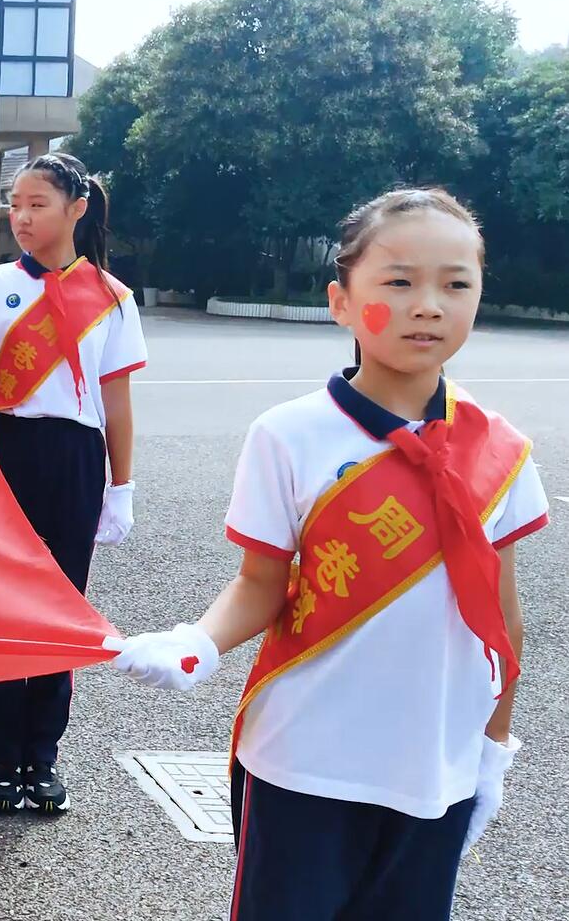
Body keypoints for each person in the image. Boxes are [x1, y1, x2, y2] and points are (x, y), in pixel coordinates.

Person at [112, 188, 550, 920]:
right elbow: (260, 585)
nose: (430, 305)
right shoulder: (289, 436)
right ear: (342, 302)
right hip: (304, 763)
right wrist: (199, 642)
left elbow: (503, 619)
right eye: (400, 281)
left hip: (433, 770)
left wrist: (492, 749)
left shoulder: (501, 449)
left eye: (457, 284)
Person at [0, 151, 147, 815]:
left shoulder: (114, 300)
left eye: (37, 204)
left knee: (62, 610)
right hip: (5, 450)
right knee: (5, 607)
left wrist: (120, 485)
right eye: (15, 205)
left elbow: (116, 403)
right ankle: (0, 758)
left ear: (77, 209)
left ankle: (42, 757)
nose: (22, 217)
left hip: (75, 458)